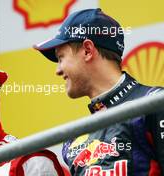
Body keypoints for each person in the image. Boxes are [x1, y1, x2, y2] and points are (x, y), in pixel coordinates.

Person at [34, 8, 164, 176]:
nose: (58, 71)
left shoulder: (155, 103)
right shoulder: (73, 140)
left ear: (87, 50)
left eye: (61, 58)